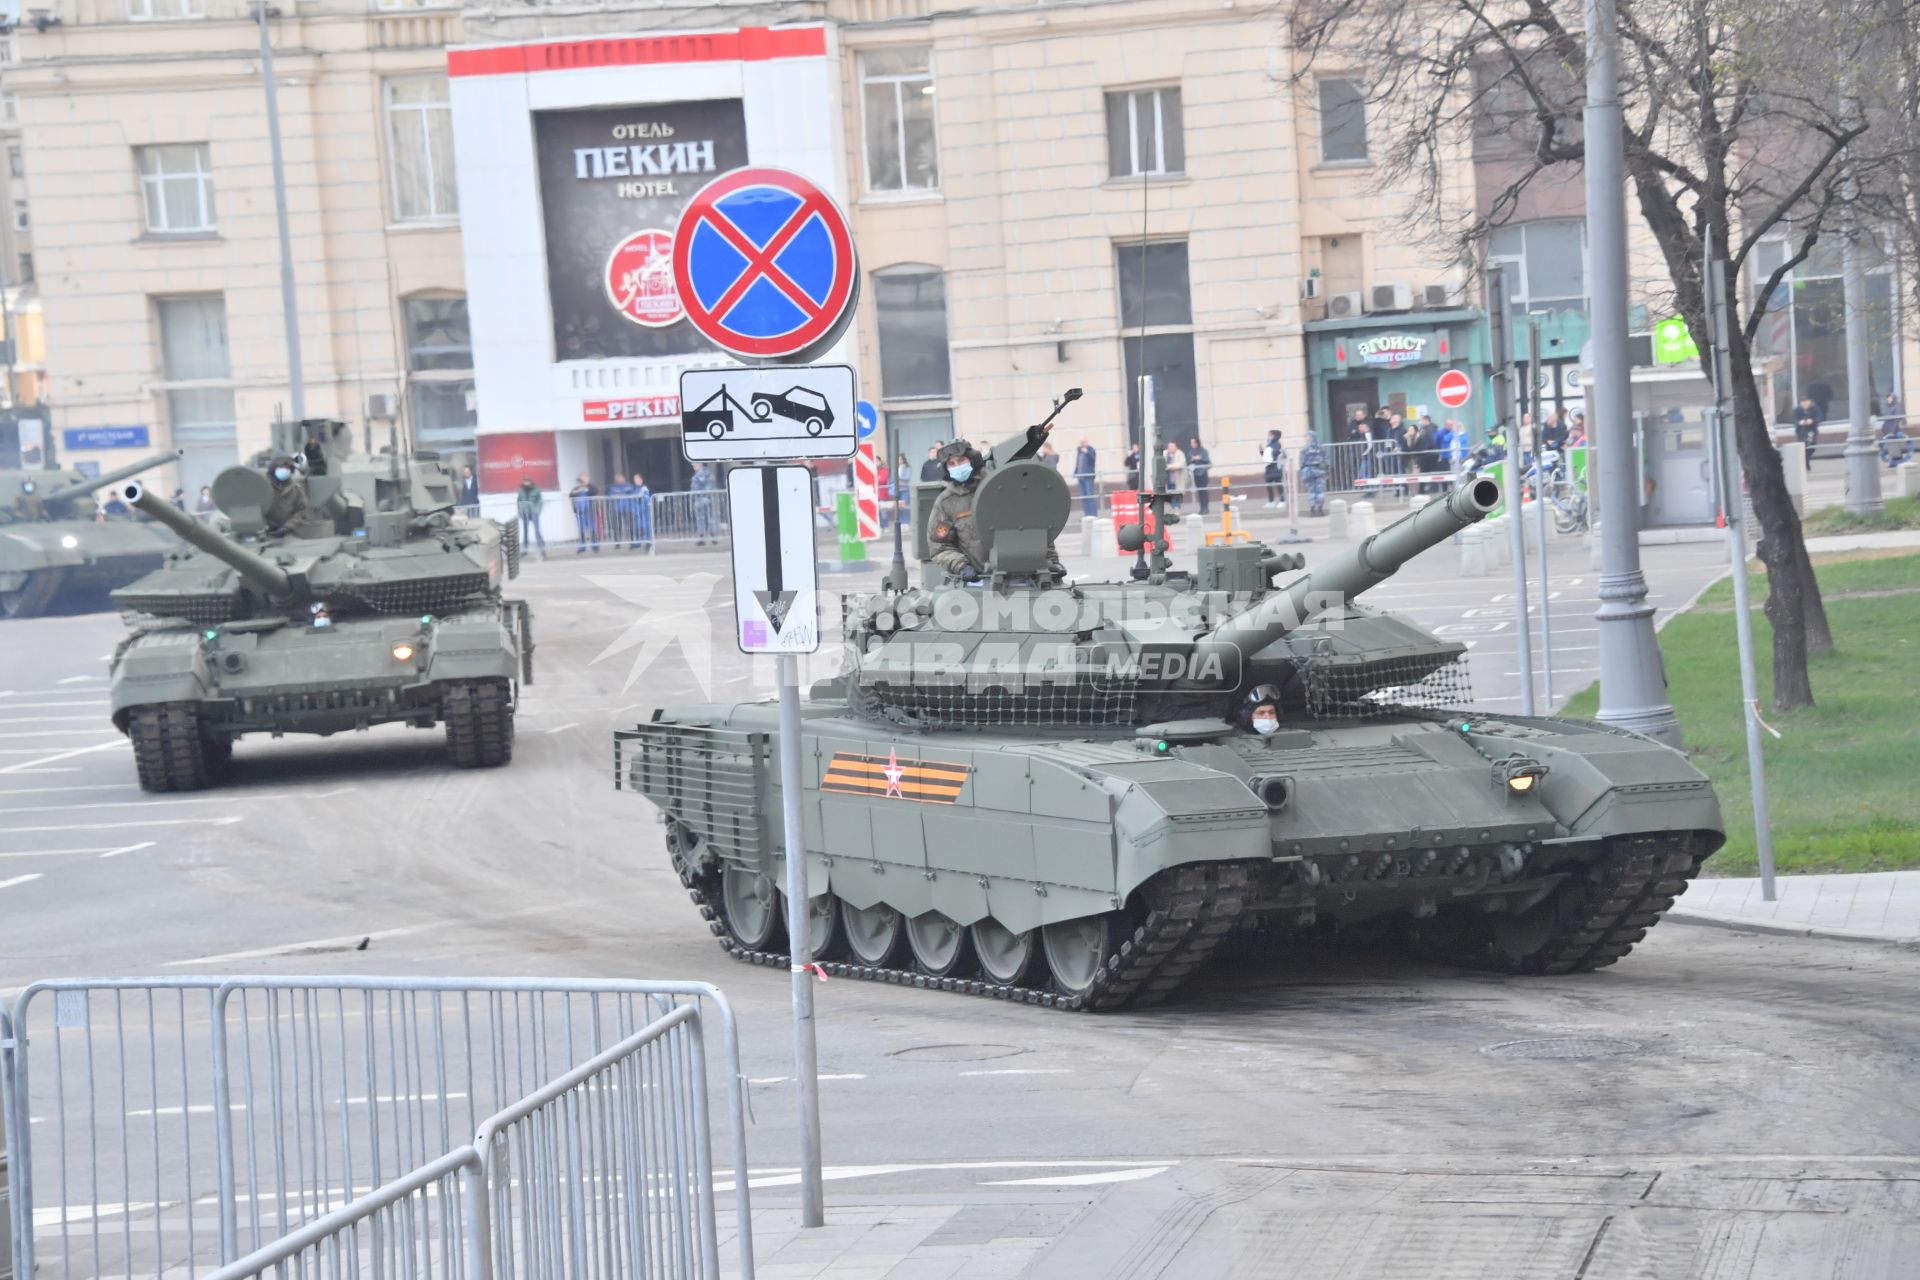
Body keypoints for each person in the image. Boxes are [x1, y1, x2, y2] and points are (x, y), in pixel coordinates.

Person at [928, 440, 1064, 581]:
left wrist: (1051, 561)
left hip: (1023, 577)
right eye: (952, 464)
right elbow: (939, 545)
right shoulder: (946, 503)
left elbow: (1032, 525)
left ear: (973, 460)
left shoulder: (1001, 486)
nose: (957, 466)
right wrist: (961, 565)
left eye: (961, 461)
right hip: (980, 581)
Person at [263, 456, 308, 532]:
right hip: (264, 532)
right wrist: (266, 524)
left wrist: (287, 527)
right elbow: (254, 509)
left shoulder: (296, 489)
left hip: (289, 534)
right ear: (273, 468)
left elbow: (302, 511)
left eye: (287, 468)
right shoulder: (263, 487)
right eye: (281, 467)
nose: (284, 470)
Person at [515, 475, 546, 560]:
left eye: (527, 481)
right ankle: (524, 550)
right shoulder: (520, 490)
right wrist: (520, 512)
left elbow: (540, 501)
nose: (526, 482)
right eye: (525, 481)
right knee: (525, 532)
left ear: (531, 481)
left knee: (537, 531)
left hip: (534, 513)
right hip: (525, 513)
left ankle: (542, 549)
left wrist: (538, 511)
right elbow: (518, 502)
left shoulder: (536, 490)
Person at [568, 473, 600, 554]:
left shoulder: (591, 487)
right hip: (580, 512)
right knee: (581, 530)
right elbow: (571, 494)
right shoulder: (577, 488)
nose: (583, 480)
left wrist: (587, 486)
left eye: (584, 478)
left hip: (589, 511)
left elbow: (595, 491)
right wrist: (576, 492)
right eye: (581, 478)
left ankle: (595, 546)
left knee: (592, 529)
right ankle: (582, 546)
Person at [1298, 435, 1329, 518]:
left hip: (1309, 471)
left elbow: (1302, 462)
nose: (1306, 438)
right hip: (1320, 470)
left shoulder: (1305, 448)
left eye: (1307, 436)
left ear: (1311, 437)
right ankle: (1320, 510)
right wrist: (1326, 472)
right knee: (1320, 491)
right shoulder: (1321, 447)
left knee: (1311, 491)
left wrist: (1302, 474)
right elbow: (1325, 459)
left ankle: (1312, 511)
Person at [691, 462, 719, 544]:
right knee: (704, 518)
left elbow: (700, 483)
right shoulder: (706, 473)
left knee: (705, 518)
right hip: (701, 498)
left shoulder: (703, 473)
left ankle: (707, 537)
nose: (693, 466)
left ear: (700, 464)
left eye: (695, 464)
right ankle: (708, 537)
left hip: (703, 498)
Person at [605, 474, 637, 546]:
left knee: (629, 525)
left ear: (624, 478)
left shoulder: (629, 486)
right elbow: (610, 495)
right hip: (616, 509)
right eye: (618, 479)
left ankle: (632, 542)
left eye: (621, 478)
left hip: (627, 508)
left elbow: (633, 494)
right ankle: (617, 543)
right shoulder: (613, 487)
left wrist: (619, 495)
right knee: (617, 526)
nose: (619, 480)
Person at [1073, 438, 1099, 518]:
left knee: (1089, 495)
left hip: (1088, 476)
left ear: (1087, 443)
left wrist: (1087, 453)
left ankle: (1093, 514)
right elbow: (1078, 463)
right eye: (1081, 443)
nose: (1082, 444)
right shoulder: (1079, 451)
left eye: (1084, 442)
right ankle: (1087, 514)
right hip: (1080, 477)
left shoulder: (1091, 450)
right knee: (1083, 497)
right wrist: (1075, 472)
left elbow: (1093, 460)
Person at [1187, 436, 1212, 515]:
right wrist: (1192, 460)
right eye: (1191, 443)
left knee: (1204, 491)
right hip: (1195, 474)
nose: (1192, 444)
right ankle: (1201, 508)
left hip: (1202, 473)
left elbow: (1207, 461)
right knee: (1199, 491)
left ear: (1197, 442)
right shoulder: (1191, 452)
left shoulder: (1203, 451)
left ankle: (1206, 507)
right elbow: (1189, 461)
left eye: (1193, 442)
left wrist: (1199, 458)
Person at [1261, 430, 1286, 507]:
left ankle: (1282, 501)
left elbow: (1274, 454)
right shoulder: (1269, 445)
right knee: (1269, 486)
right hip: (1268, 468)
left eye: (1270, 435)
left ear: (1274, 436)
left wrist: (1267, 451)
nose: (1268, 437)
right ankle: (1271, 501)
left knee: (1279, 485)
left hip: (1276, 467)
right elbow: (1266, 456)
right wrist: (1262, 451)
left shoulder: (1276, 444)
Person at [1792, 396, 1819, 469]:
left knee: (1812, 446)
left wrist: (1812, 421)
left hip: (1811, 430)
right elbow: (1794, 419)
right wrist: (1800, 422)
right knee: (1803, 446)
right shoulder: (1797, 410)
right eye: (1803, 403)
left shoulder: (1814, 409)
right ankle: (1805, 463)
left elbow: (1820, 417)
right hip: (1801, 431)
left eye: (1807, 403)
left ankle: (1805, 460)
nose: (1805, 405)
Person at [630, 473, 653, 551]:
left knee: (646, 527)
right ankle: (637, 543)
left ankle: (649, 542)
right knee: (637, 528)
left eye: (636, 479)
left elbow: (646, 499)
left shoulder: (644, 489)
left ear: (641, 479)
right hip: (637, 512)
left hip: (644, 512)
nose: (635, 481)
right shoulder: (634, 489)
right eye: (634, 479)